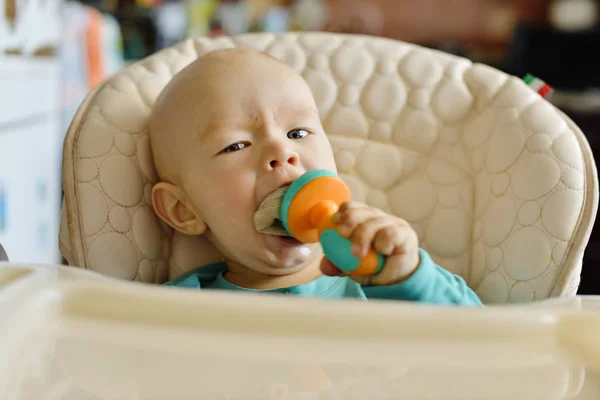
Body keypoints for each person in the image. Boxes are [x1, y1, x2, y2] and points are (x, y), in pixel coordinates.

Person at [149, 48, 482, 306]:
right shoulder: (178, 309)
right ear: (184, 209)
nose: (282, 151)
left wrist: (409, 278)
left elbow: (485, 349)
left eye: (297, 132)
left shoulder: (387, 282)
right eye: (236, 145)